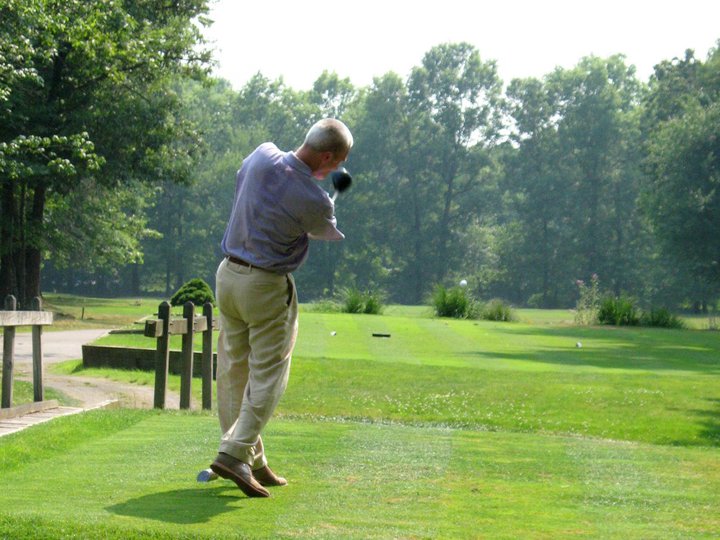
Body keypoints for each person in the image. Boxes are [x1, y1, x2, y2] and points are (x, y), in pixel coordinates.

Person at [205, 118, 353, 498]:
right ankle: (234, 453)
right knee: (268, 375)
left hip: (227, 276)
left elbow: (264, 187)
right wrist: (325, 195)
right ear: (325, 156)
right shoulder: (317, 200)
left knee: (234, 371)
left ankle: (253, 459)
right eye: (336, 162)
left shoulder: (260, 155)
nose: (336, 169)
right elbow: (323, 229)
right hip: (266, 286)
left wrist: (310, 188)